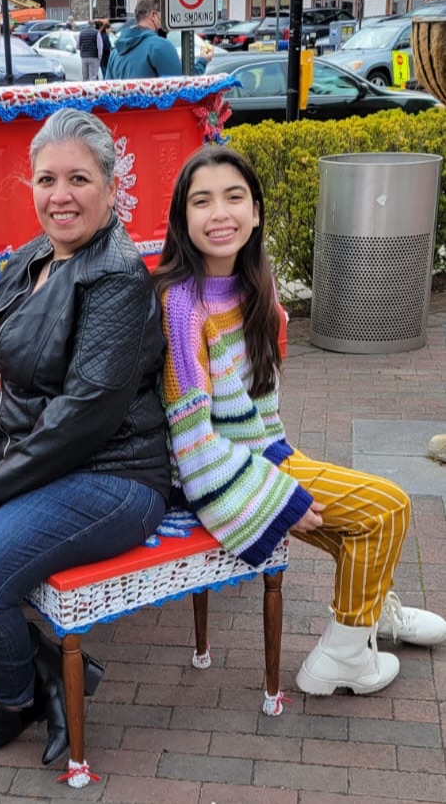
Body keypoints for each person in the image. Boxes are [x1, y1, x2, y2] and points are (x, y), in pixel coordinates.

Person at [0, 108, 169, 764]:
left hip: (113, 476)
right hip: (33, 468)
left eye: (79, 178)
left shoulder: (118, 277)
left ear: (111, 187)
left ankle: (16, 699)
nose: (60, 195)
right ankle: (49, 676)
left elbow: (84, 415)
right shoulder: (26, 261)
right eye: (47, 179)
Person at [153, 145, 446, 698]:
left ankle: (369, 616)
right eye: (202, 201)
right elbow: (190, 443)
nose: (220, 213)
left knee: (361, 524)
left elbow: (262, 418)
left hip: (265, 452)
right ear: (181, 218)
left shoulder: (254, 289)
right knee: (389, 507)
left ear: (256, 211)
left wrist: (284, 471)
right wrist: (276, 495)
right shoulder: (181, 306)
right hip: (221, 473)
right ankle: (340, 660)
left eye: (234, 197)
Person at [105, 0, 181, 80]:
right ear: (154, 15)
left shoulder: (115, 53)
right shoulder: (160, 46)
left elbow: (108, 87)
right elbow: (177, 85)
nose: (168, 20)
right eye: (166, 15)